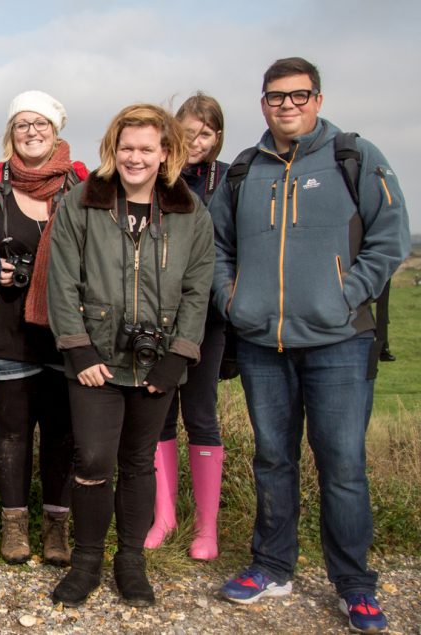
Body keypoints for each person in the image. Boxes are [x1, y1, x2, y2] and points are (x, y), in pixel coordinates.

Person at [213, 57, 408, 634]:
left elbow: (390, 239)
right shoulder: (246, 170)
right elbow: (219, 248)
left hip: (339, 342)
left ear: (317, 99)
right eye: (277, 97)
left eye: (299, 96)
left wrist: (343, 295)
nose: (288, 106)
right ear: (263, 102)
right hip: (261, 343)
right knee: (273, 458)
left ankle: (354, 585)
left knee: (343, 464)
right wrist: (234, 301)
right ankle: (272, 566)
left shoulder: (355, 156)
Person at [45, 104, 214, 608]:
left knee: (139, 463)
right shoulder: (82, 204)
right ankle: (87, 563)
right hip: (95, 359)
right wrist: (78, 349)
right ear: (112, 150)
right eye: (126, 148)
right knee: (93, 459)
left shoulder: (190, 213)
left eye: (146, 148)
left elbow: (196, 289)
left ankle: (131, 563)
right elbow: (62, 281)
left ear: (165, 153)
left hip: (156, 361)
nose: (134, 157)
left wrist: (178, 357)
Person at [0, 90, 87, 567]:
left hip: (66, 327)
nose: (32, 132)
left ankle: (57, 527)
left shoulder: (83, 186)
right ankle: (14, 524)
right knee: (13, 430)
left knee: (63, 432)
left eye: (40, 123)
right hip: (8, 328)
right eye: (22, 124)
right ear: (10, 133)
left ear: (56, 130)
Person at [144, 92, 230, 560]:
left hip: (206, 319)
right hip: (156, 316)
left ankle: (207, 529)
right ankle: (164, 517)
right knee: (158, 410)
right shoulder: (157, 178)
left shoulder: (226, 181)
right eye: (189, 130)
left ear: (218, 137)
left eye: (206, 133)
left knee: (201, 413)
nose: (196, 141)